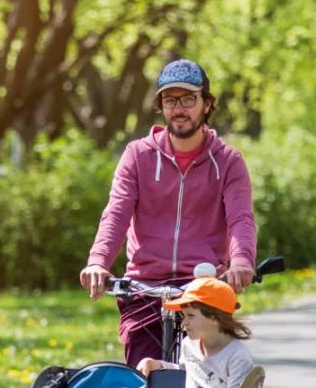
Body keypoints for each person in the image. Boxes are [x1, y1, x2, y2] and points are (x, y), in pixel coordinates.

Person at [79, 59, 257, 367]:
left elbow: (240, 218)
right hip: (144, 285)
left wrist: (241, 262)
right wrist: (98, 262)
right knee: (144, 377)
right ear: (161, 106)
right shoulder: (138, 156)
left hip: (202, 285)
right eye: (170, 100)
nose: (179, 109)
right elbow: (117, 212)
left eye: (189, 99)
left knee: (208, 380)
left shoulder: (228, 161)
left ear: (207, 104)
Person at [135, 275, 253, 388]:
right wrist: (155, 364)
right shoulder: (189, 344)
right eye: (183, 316)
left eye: (190, 316)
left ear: (214, 318)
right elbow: (185, 370)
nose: (184, 322)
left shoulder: (237, 356)